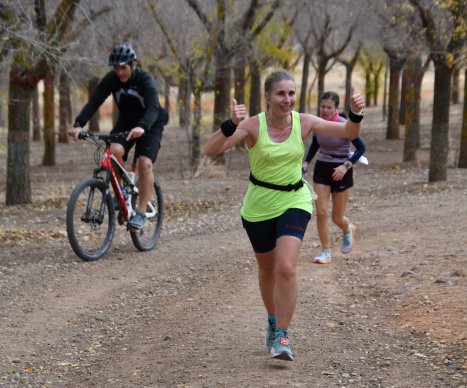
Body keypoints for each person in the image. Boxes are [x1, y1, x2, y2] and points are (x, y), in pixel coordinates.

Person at [203, 70, 365, 361]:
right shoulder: (253, 125)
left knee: (286, 267)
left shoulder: (304, 121)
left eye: (291, 93)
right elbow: (210, 150)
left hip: (295, 198)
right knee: (267, 270)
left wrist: (354, 113)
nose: (287, 99)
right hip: (259, 205)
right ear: (267, 96)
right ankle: (272, 320)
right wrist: (230, 124)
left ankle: (283, 336)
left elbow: (348, 133)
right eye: (280, 93)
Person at [69, 42, 169, 229]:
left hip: (151, 122)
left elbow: (154, 107)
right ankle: (123, 192)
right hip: (127, 121)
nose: (120, 72)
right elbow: (95, 100)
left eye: (123, 68)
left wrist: (142, 127)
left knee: (145, 163)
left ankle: (140, 214)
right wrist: (79, 124)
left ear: (133, 65)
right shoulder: (112, 80)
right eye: (116, 68)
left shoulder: (145, 79)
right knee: (113, 151)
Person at [302, 91, 366, 264]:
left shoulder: (345, 125)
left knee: (336, 217)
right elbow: (316, 144)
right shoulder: (318, 124)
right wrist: (306, 161)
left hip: (342, 170)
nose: (324, 110)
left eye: (329, 107)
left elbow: (361, 148)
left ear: (336, 108)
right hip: (322, 168)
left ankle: (348, 227)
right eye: (322, 106)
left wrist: (346, 166)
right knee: (321, 211)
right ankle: (326, 252)